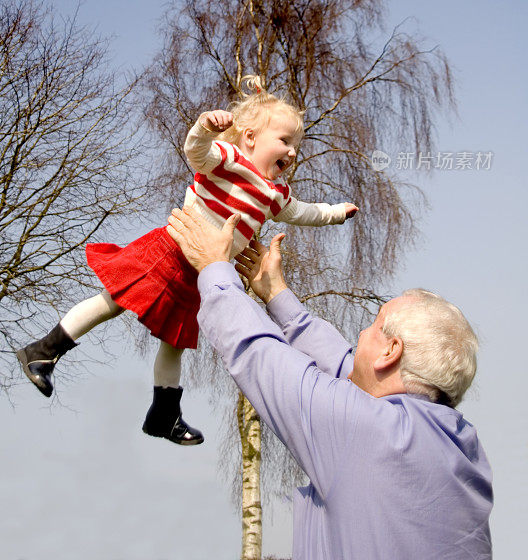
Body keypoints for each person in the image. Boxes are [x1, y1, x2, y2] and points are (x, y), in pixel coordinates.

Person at [16, 77, 358, 447]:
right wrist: (203, 127)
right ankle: (43, 352)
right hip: (171, 252)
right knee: (113, 301)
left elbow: (305, 212)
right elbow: (197, 153)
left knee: (174, 341)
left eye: (296, 146)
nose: (292, 152)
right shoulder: (229, 161)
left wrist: (337, 212)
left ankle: (164, 414)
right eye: (285, 141)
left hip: (201, 273)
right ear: (249, 138)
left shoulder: (276, 195)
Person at [166, 206, 493, 559]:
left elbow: (261, 357)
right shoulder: (463, 446)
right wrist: (278, 296)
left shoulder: (367, 431)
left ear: (391, 351)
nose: (361, 333)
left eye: (373, 324)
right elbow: (349, 374)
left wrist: (214, 269)